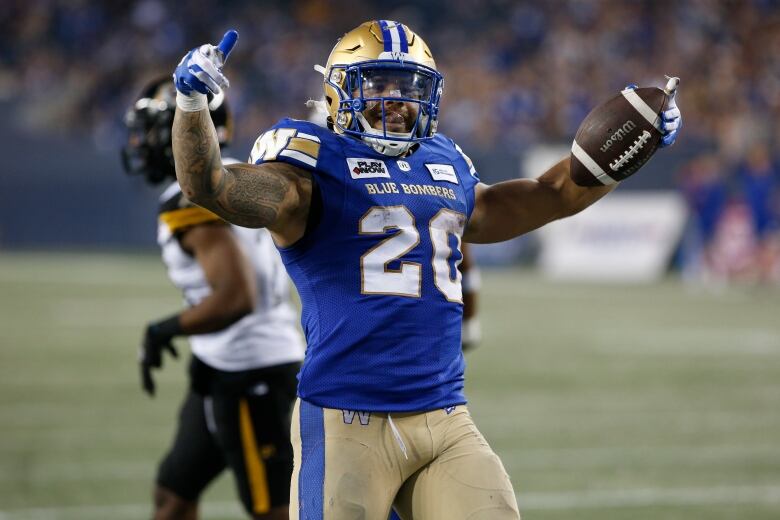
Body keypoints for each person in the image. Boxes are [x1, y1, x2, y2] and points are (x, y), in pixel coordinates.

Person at [169, 21, 682, 519]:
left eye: (409, 86)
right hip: (346, 420)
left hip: (445, 419)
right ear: (336, 93)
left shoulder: (444, 161)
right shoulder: (308, 161)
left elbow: (552, 196)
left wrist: (630, 150)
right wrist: (192, 105)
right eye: (378, 86)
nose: (397, 100)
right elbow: (211, 186)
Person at [122, 76, 305, 520]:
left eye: (155, 130)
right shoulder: (234, 174)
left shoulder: (191, 200)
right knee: (172, 497)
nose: (142, 142)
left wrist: (164, 329)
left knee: (274, 511)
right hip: (219, 364)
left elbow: (236, 296)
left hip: (250, 372)